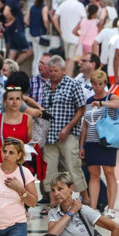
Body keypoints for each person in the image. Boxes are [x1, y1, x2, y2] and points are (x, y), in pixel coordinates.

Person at [42, 55, 88, 196]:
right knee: (49, 169)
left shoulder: (72, 85)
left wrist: (67, 128)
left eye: (56, 71)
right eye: (51, 71)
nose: (53, 74)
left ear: (63, 70)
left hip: (68, 134)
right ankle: (53, 200)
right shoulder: (46, 86)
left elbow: (82, 109)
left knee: (73, 166)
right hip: (49, 136)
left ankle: (85, 197)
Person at [79, 70, 119, 217]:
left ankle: (111, 207)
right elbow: (85, 124)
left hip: (107, 140)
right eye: (94, 84)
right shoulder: (89, 100)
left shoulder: (110, 97)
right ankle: (93, 206)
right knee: (93, 174)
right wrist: (82, 145)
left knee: (109, 172)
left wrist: (103, 103)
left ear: (105, 84)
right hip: (91, 140)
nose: (97, 87)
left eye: (100, 84)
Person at [0, 87, 34, 167]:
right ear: (5, 101)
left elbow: (29, 139)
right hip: (0, 162)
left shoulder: (28, 119)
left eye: (17, 99)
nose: (14, 102)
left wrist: (31, 144)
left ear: (21, 101)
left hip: (19, 163)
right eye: (11, 99)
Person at [52, 0, 86, 76]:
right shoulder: (79, 5)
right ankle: (68, 78)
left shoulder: (64, 4)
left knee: (67, 58)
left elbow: (54, 18)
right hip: (75, 36)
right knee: (71, 59)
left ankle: (65, 77)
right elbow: (84, 20)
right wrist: (78, 29)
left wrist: (60, 31)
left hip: (65, 36)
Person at [2, 0, 32, 64]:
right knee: (29, 51)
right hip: (16, 30)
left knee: (12, 52)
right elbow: (6, 12)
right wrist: (12, 19)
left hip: (15, 29)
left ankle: (6, 72)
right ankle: (14, 68)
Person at [27, 0, 50, 76]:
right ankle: (39, 74)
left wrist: (32, 25)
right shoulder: (44, 8)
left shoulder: (31, 7)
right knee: (41, 55)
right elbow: (45, 20)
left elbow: (25, 20)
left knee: (36, 56)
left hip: (33, 34)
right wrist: (48, 29)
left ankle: (34, 73)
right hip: (42, 34)